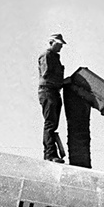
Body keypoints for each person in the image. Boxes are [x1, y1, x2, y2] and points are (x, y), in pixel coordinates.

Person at [38, 33, 67, 162]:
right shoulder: (47, 55)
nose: (61, 47)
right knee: (50, 124)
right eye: (59, 44)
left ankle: (51, 153)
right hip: (48, 91)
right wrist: (63, 82)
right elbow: (46, 76)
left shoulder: (54, 57)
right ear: (51, 42)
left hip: (54, 92)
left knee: (53, 124)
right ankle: (49, 154)